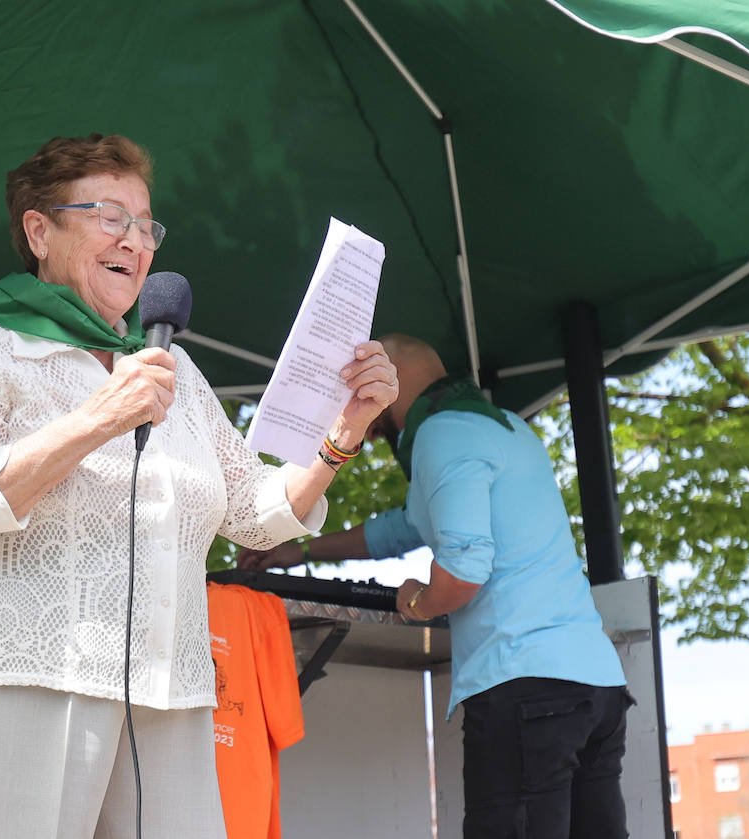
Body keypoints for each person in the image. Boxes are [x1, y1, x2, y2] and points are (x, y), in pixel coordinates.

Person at [0, 133, 398, 837]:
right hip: (23, 687)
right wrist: (98, 417)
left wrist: (343, 431)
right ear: (39, 230)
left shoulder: (175, 369)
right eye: (110, 216)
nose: (134, 240)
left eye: (146, 224)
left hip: (171, 703)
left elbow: (256, 514)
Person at [238, 333, 631, 839]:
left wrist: (420, 603)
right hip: (596, 685)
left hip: (526, 686)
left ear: (393, 370)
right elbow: (408, 525)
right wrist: (299, 548)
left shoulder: (443, 434)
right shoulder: (505, 427)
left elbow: (465, 569)